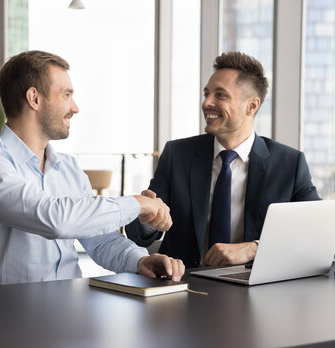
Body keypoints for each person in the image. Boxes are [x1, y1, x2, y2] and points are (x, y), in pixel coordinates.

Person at [0, 50, 184, 287]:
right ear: (34, 98)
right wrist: (137, 203)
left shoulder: (69, 169)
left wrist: (139, 261)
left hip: (69, 311)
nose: (75, 108)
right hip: (7, 317)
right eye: (66, 95)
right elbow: (53, 218)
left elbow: (101, 241)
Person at [126, 51, 320, 268]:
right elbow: (137, 232)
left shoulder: (289, 164)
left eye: (221, 95)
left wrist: (254, 248)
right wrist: (148, 222)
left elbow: (321, 240)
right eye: (206, 93)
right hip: (184, 288)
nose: (207, 102)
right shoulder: (177, 154)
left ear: (252, 106)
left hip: (255, 291)